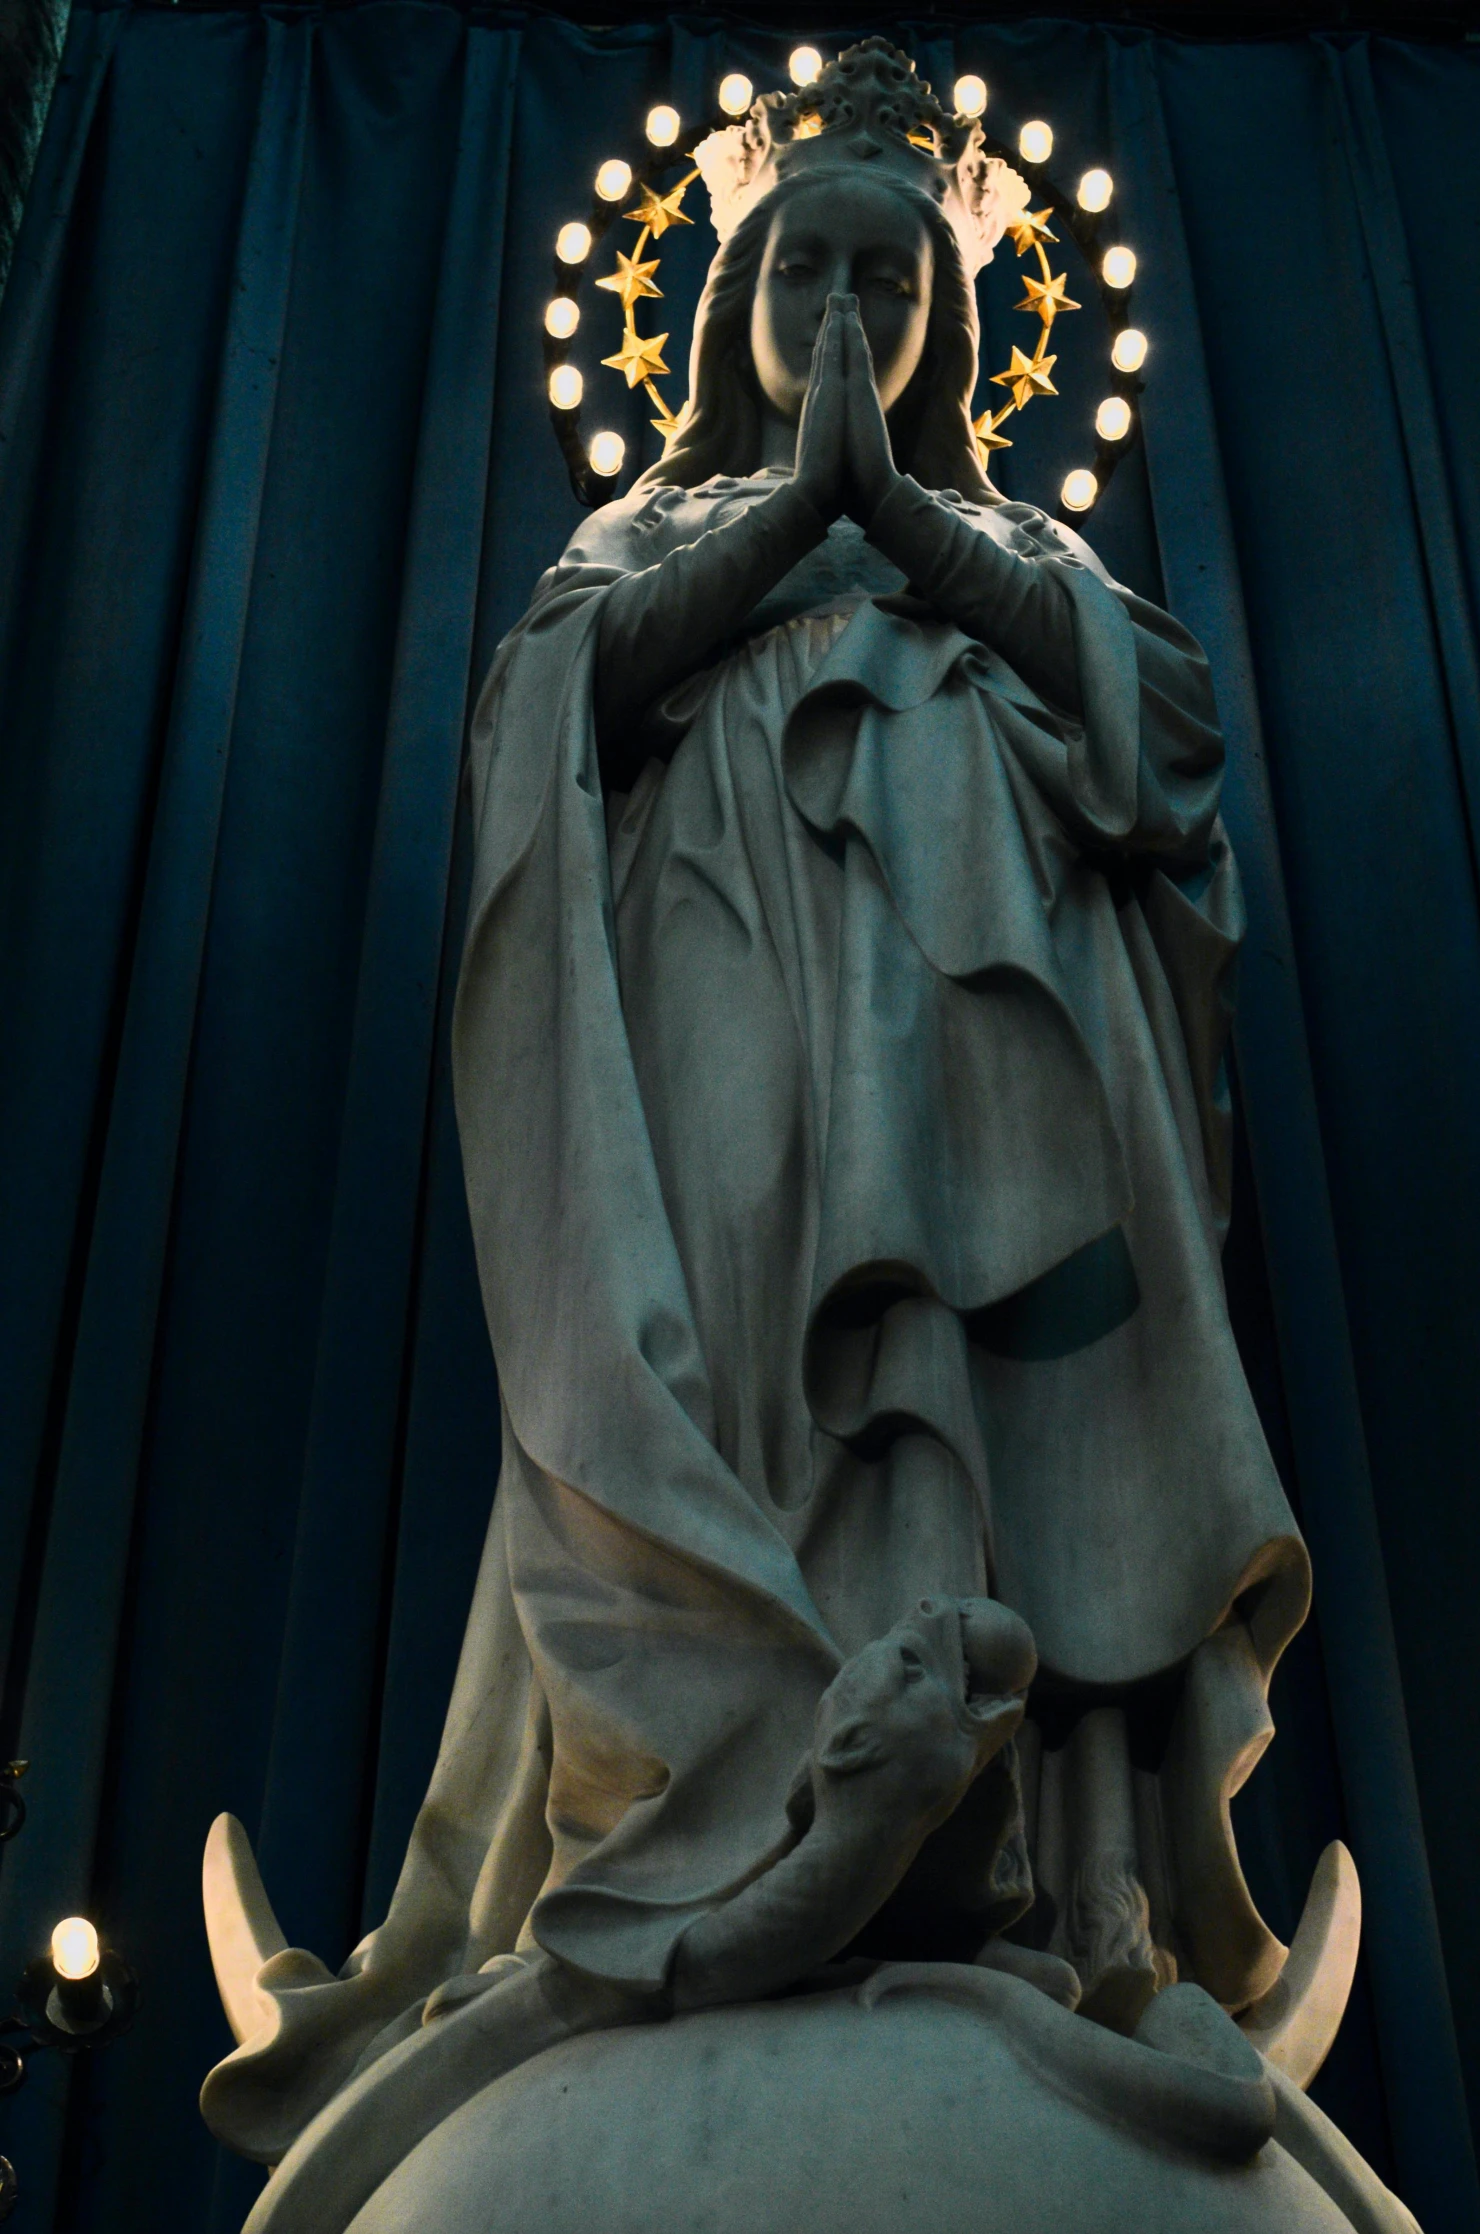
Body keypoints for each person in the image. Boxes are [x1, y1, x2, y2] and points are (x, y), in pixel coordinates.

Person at [201, 38, 1310, 2191]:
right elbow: (554, 716)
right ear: (726, 298)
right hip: (725, 1005)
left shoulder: (1008, 539)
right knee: (735, 1370)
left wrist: (896, 515)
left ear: (942, 320)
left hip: (994, 1026)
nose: (831, 306)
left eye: (879, 282)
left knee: (1027, 1410)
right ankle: (718, 1807)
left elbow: (1154, 760)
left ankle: (1078, 1897)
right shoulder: (654, 526)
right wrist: (802, 509)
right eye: (797, 263)